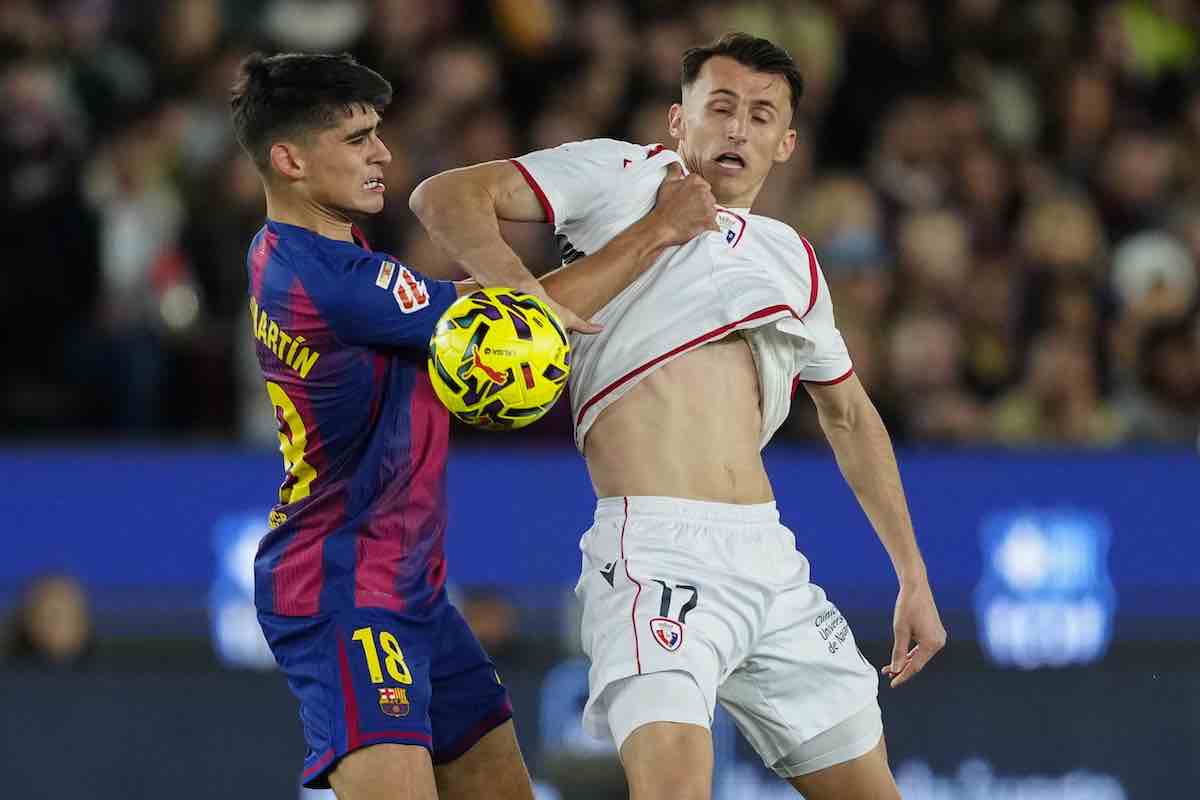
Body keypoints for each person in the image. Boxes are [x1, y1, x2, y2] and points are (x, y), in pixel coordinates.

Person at [410, 32, 946, 800]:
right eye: (720, 107)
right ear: (677, 120)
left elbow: (851, 419)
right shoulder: (622, 174)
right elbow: (443, 197)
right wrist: (523, 300)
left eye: (762, 116)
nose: (738, 129)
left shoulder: (791, 257)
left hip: (768, 555)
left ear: (786, 143)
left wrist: (912, 573)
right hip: (653, 549)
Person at [229, 52, 717, 799]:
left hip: (410, 588)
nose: (382, 153)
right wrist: (658, 230)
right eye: (357, 138)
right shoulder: (324, 278)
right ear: (289, 159)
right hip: (341, 590)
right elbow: (514, 329)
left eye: (377, 133)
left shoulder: (301, 252)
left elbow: (453, 304)